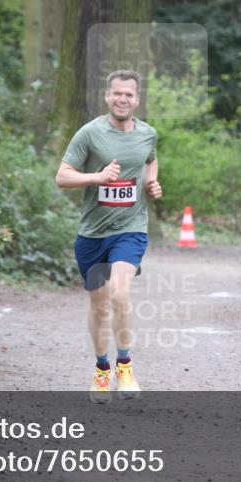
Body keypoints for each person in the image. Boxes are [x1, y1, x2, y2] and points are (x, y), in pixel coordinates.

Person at [55, 70, 161, 402]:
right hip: (92, 233)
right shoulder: (89, 133)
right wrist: (97, 177)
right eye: (117, 93)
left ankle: (125, 366)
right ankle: (102, 370)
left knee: (119, 292)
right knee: (100, 307)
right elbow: (62, 177)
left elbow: (151, 159)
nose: (123, 99)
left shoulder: (147, 134)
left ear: (137, 99)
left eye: (129, 94)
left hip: (130, 230)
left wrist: (149, 181)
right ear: (107, 96)